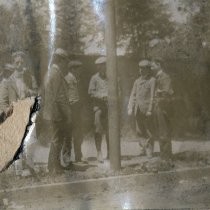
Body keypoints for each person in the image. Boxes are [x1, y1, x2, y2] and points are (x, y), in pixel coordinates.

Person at [43, 48, 72, 174]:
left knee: (56, 139)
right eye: (65, 61)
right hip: (56, 113)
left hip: (51, 112)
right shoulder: (56, 73)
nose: (66, 64)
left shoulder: (51, 72)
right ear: (60, 60)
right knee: (57, 140)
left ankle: (53, 166)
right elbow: (59, 97)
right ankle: (54, 168)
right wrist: (68, 113)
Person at [128, 60, 156, 158]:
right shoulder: (137, 81)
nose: (141, 70)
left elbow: (152, 96)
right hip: (138, 110)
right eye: (140, 68)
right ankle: (142, 149)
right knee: (139, 130)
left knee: (149, 130)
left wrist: (150, 109)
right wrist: (130, 107)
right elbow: (133, 95)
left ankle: (149, 150)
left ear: (148, 69)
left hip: (147, 110)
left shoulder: (152, 80)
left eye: (144, 68)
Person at [151, 59, 174, 160]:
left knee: (164, 132)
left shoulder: (165, 77)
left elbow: (167, 93)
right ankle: (163, 155)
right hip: (158, 107)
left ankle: (166, 156)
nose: (151, 67)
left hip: (163, 108)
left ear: (159, 65)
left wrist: (158, 93)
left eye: (153, 65)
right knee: (160, 131)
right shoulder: (157, 77)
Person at [88, 57, 109, 162]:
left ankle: (111, 153)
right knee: (98, 131)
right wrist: (101, 96)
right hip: (99, 109)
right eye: (99, 66)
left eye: (103, 65)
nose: (101, 67)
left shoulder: (111, 77)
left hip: (110, 109)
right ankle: (99, 152)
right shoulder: (94, 78)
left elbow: (117, 90)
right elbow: (90, 92)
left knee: (110, 131)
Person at [63, 60, 84, 163]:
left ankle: (78, 156)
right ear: (72, 69)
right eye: (78, 69)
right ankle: (67, 156)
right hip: (70, 108)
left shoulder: (76, 79)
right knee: (68, 134)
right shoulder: (68, 78)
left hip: (76, 108)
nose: (80, 71)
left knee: (78, 133)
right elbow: (66, 95)